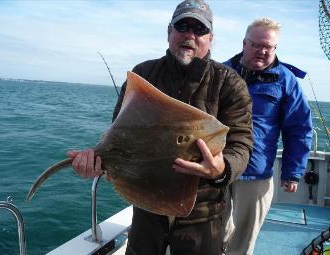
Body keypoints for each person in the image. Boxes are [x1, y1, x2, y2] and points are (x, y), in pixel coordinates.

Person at [68, 1, 253, 254]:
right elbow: (119, 137)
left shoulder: (229, 83)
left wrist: (222, 169)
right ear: (169, 32)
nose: (190, 35)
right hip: (147, 208)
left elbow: (242, 144)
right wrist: (97, 163)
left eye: (199, 30)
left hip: (202, 213)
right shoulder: (143, 74)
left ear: (210, 38)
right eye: (183, 26)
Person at [221, 18, 313, 255]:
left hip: (256, 172)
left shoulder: (286, 80)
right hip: (216, 165)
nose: (262, 51)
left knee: (244, 239)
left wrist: (292, 172)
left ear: (275, 48)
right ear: (244, 43)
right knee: (212, 229)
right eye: (256, 44)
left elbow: (299, 128)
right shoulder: (220, 72)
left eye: (269, 47)